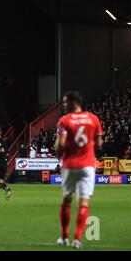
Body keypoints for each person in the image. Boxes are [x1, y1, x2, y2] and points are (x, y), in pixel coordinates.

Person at [55, 92, 103, 249]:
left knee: (67, 200)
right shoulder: (93, 118)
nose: (63, 105)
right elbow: (99, 143)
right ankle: (77, 240)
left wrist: (60, 155)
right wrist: (88, 149)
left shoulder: (65, 120)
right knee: (84, 202)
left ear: (73, 102)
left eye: (65, 102)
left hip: (70, 164)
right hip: (88, 165)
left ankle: (64, 237)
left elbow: (60, 144)